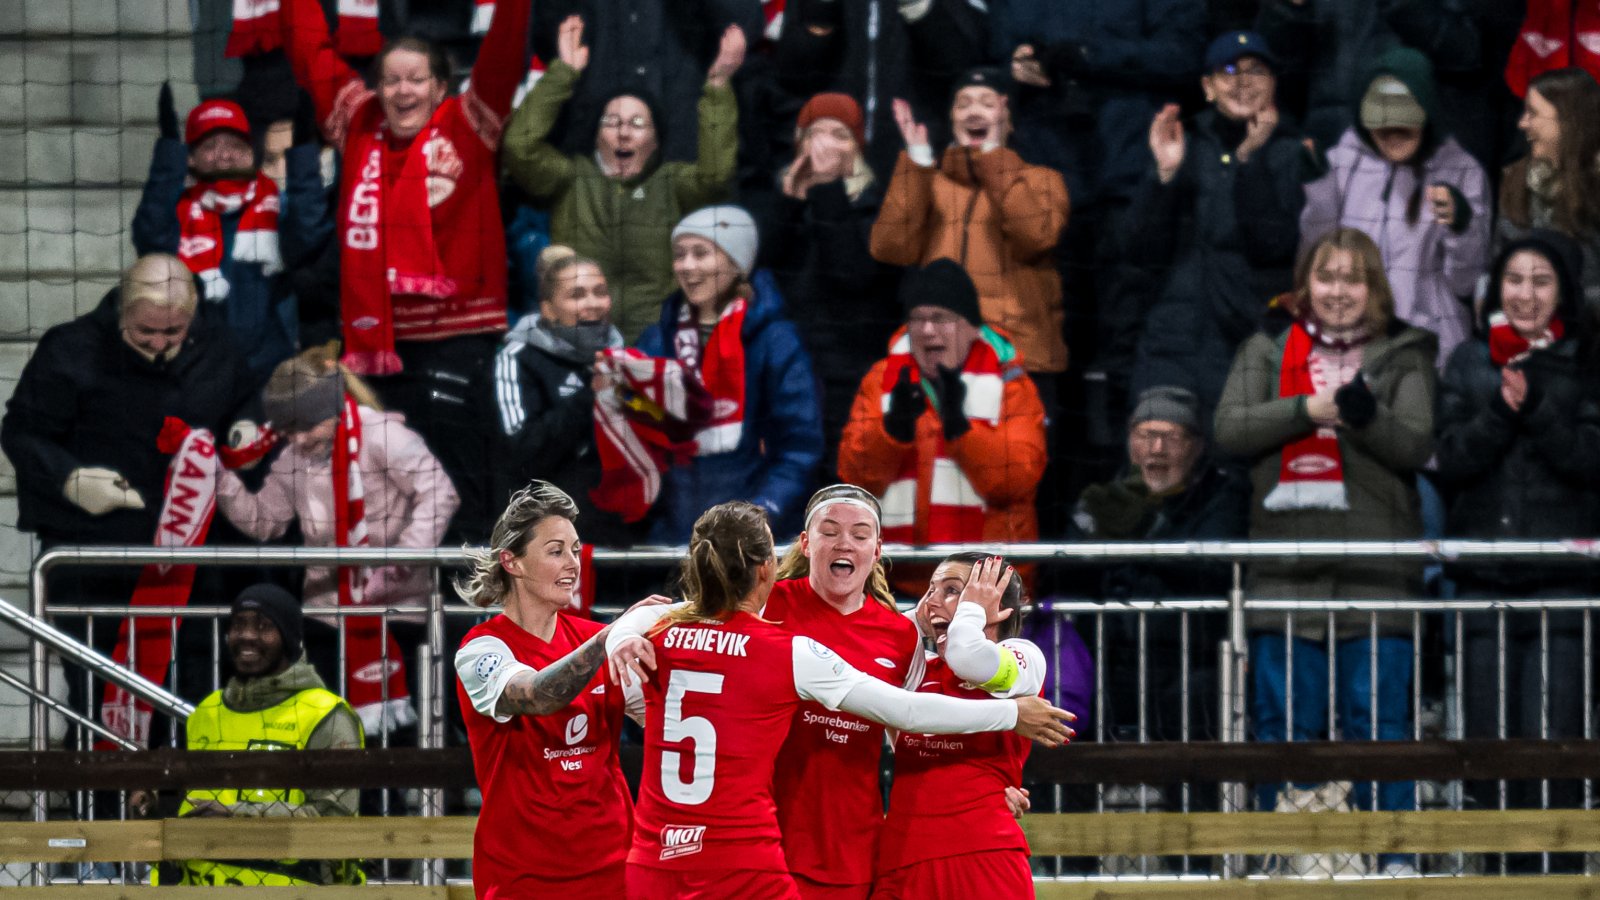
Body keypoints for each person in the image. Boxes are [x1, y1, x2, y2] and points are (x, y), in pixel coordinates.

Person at [605, 500, 1074, 900]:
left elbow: (919, 716)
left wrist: (979, 785)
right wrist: (1009, 715)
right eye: (829, 531)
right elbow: (908, 713)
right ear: (792, 553)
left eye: (954, 591)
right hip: (768, 847)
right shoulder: (779, 631)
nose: (934, 601)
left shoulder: (973, 649)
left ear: (877, 550)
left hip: (863, 849)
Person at [1214, 227, 1436, 874]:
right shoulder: (1266, 347)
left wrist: (1365, 416)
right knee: (1284, 721)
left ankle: (1390, 854)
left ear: (1374, 289)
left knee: (1381, 721)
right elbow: (1230, 427)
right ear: (1305, 285)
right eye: (1327, 277)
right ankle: (1281, 852)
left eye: (1352, 278)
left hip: (1378, 572)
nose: (1338, 291)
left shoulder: (1405, 355)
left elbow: (1415, 444)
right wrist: (1307, 408)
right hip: (1285, 569)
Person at [277, 0, 533, 540]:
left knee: (462, 492)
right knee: (386, 496)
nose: (402, 92)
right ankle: (400, 620)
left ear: (442, 87)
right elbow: (309, 52)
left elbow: (506, 48)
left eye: (416, 80)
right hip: (376, 354)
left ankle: (468, 616)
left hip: (458, 344)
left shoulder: (471, 121)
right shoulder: (357, 122)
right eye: (391, 81)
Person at [0, 254, 259, 732]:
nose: (159, 344)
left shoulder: (218, 348)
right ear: (122, 311)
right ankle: (102, 804)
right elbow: (22, 432)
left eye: (173, 333)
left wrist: (245, 426)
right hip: (93, 562)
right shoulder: (70, 349)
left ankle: (189, 801)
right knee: (99, 698)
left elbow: (245, 398)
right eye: (145, 333)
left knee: (194, 694)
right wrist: (69, 479)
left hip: (191, 570)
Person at [1435, 231, 1600, 843]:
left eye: (1540, 281)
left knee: (1552, 741)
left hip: (1564, 585)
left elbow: (1589, 459)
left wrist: (1537, 411)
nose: (1525, 294)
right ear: (1494, 288)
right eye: (1514, 280)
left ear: (1562, 293)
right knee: (1485, 743)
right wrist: (1500, 414)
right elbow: (1449, 459)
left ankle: (1551, 872)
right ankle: (1489, 870)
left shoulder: (1586, 361)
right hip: (1483, 580)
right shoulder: (1469, 361)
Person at [216, 346, 458, 735]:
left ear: (329, 409)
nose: (296, 438)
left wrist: (399, 561)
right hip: (327, 612)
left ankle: (407, 795)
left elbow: (439, 493)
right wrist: (218, 479)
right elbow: (265, 521)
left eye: (305, 425)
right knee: (337, 727)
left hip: (400, 610)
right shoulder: (292, 458)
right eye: (287, 429)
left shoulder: (383, 436)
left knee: (404, 727)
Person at [453, 482, 660, 898]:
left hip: (614, 868)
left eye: (575, 549)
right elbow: (536, 695)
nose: (573, 563)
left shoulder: (598, 638)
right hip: (523, 876)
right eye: (555, 551)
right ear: (512, 562)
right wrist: (610, 638)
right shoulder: (482, 650)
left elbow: (665, 718)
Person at [502, 15, 744, 343]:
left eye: (638, 123)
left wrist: (717, 86)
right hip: (579, 342)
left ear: (657, 139)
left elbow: (716, 176)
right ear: (596, 134)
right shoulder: (571, 178)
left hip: (656, 345)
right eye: (611, 121)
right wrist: (563, 73)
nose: (624, 132)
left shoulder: (672, 183)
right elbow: (520, 148)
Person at [608, 205, 823, 543]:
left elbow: (799, 445)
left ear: (737, 263)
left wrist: (758, 517)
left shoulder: (774, 340)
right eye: (679, 254)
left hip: (753, 544)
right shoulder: (657, 338)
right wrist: (616, 394)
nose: (687, 266)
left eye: (701, 253)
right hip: (672, 539)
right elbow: (638, 438)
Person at [1121, 31, 1308, 416]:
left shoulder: (1292, 151)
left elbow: (1273, 246)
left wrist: (1250, 160)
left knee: (1239, 462)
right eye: (1228, 71)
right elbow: (1141, 250)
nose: (1242, 82)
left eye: (1256, 70)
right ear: (1208, 87)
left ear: (1273, 84)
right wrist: (1165, 176)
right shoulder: (1180, 144)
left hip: (1253, 340)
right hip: (1174, 341)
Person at [839, 259, 1048, 596]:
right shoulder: (882, 379)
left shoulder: (1012, 384)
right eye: (917, 319)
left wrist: (960, 428)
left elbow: (1014, 481)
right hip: (895, 586)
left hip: (986, 589)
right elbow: (855, 479)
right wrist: (893, 432)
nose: (926, 331)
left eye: (940, 319)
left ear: (970, 327)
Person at [871, 67, 1072, 410]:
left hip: (1017, 361)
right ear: (951, 118)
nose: (974, 111)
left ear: (1008, 116)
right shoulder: (927, 180)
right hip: (939, 358)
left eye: (986, 102)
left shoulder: (1043, 180)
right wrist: (918, 163)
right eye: (963, 104)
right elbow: (890, 247)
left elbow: (1035, 238)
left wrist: (993, 160)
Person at [154, 584, 365, 886]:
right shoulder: (207, 711)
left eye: (264, 626)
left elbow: (335, 824)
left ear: (289, 640)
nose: (247, 635)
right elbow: (194, 804)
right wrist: (157, 800)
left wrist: (236, 819)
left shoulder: (327, 714)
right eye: (239, 624)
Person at [1071, 386, 1249, 743]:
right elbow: (1065, 568)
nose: (1157, 449)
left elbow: (1214, 566)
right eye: (1146, 435)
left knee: (1194, 703)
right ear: (1129, 440)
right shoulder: (1107, 494)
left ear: (1197, 446)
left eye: (1171, 436)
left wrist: (1137, 538)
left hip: (1187, 658)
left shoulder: (1222, 494)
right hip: (1109, 657)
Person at [1300, 47, 1490, 369]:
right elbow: (1315, 257)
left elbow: (1466, 283)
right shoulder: (1343, 161)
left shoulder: (1462, 170)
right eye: (1381, 123)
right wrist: (1318, 188)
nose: (1392, 135)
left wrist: (1462, 226)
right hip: (1349, 344)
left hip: (1429, 350)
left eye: (1404, 124)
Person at [875, 554, 1047, 899]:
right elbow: (869, 644)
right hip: (901, 857)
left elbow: (970, 658)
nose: (931, 601)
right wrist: (916, 621)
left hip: (982, 856)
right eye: (930, 590)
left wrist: (971, 614)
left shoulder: (1022, 657)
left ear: (995, 605)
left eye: (952, 590)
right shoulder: (916, 669)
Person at [131, 87, 329, 382]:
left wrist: (302, 155)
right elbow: (152, 240)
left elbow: (308, 237)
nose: (223, 156)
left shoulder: (277, 206)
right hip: (194, 366)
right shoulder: (177, 212)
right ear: (191, 158)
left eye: (235, 145)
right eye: (210, 146)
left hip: (270, 366)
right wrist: (168, 155)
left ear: (251, 153)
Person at [764, 93, 901, 482]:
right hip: (787, 375)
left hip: (848, 375)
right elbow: (762, 275)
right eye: (814, 134)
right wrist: (788, 204)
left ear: (857, 148)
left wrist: (827, 189)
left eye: (838, 134)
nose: (824, 144)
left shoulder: (879, 204)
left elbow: (852, 275)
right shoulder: (782, 201)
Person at [488, 250, 635, 551]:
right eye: (577, 295)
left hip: (619, 534)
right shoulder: (517, 359)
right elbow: (522, 452)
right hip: (544, 541)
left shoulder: (627, 358)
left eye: (600, 292)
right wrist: (590, 395)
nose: (593, 303)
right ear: (549, 309)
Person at [1497, 67, 1600, 311]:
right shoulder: (1516, 179)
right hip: (1526, 333)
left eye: (1533, 113)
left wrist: (1563, 303)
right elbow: (1498, 261)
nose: (1522, 124)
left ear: (1568, 121)